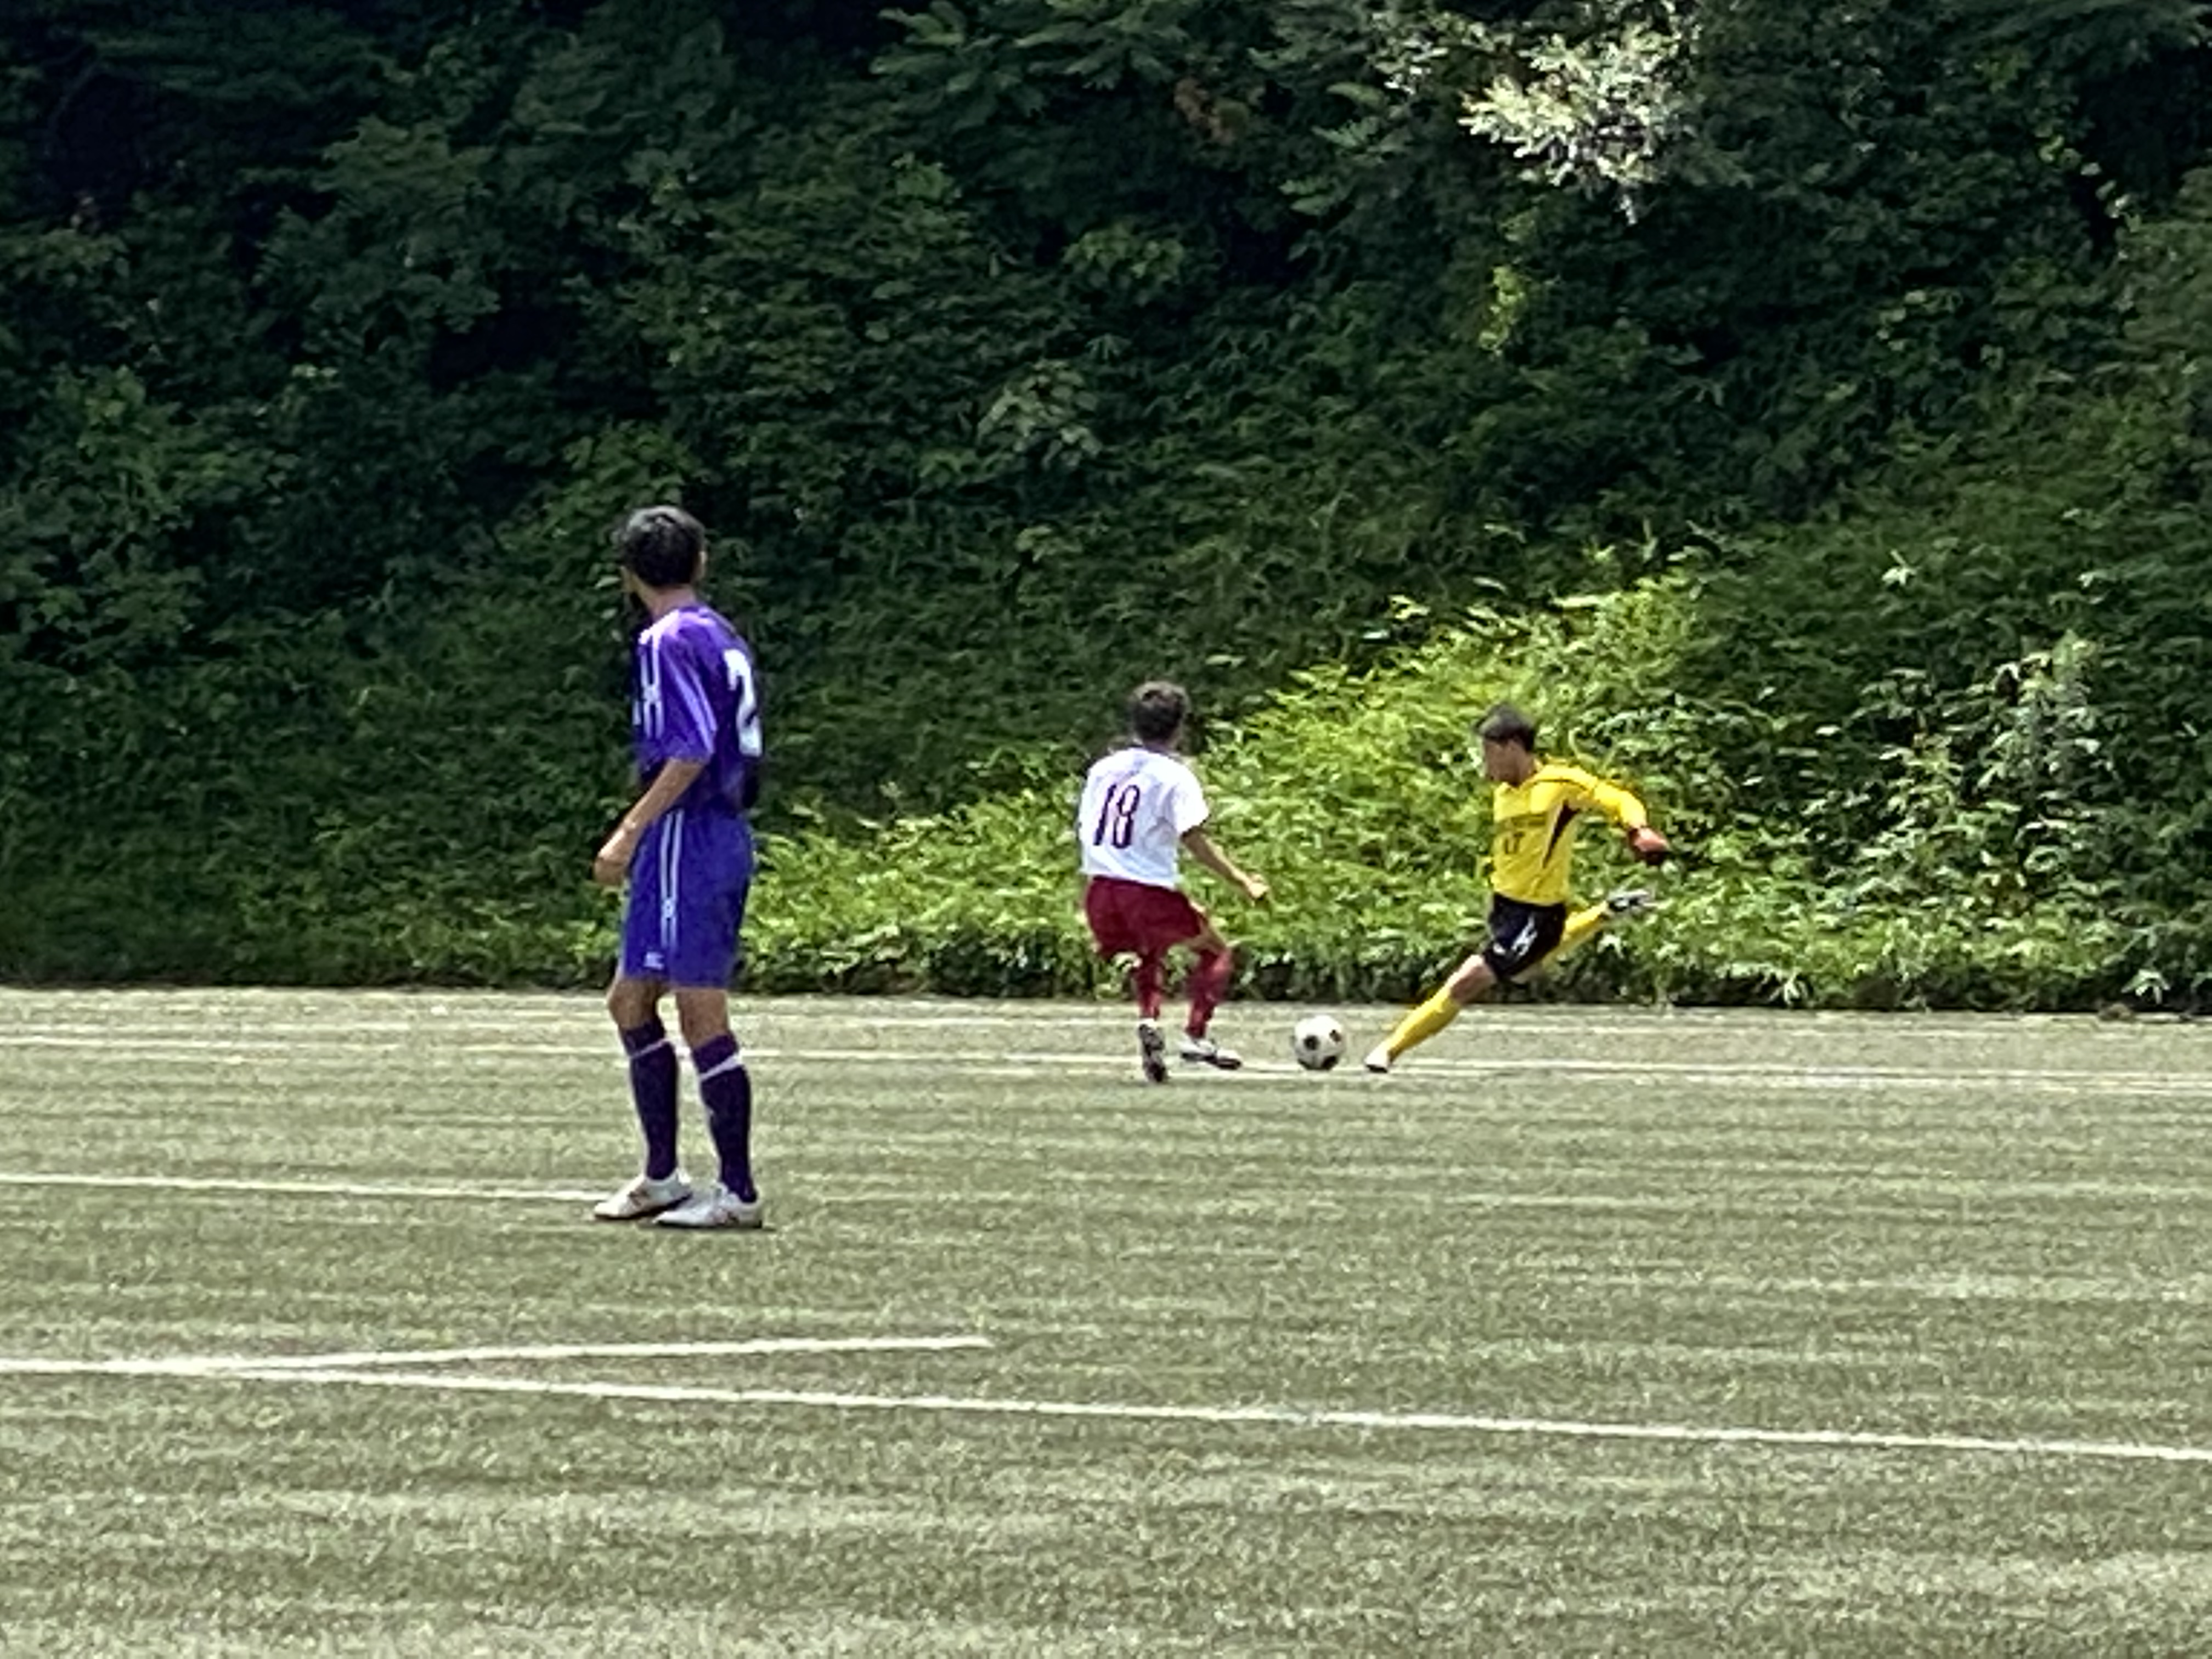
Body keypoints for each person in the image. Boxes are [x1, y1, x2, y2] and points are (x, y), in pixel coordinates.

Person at [589, 505, 766, 1228]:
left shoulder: (666, 640)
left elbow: (690, 748)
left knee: (699, 1009)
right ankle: (662, 1174)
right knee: (630, 999)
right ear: (701, 561)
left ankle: (738, 1192)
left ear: (629, 576)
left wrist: (629, 831)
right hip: (701, 834)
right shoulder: (718, 631)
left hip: (691, 834)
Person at [1363, 702, 1670, 1074]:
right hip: (1504, 909)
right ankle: (1603, 913)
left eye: (1489, 752)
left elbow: (1618, 798)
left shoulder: (1560, 785)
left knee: (1468, 980)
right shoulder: (1503, 794)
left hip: (1537, 913)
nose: (1485, 762)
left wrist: (1638, 829)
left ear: (1511, 747)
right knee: (1523, 970)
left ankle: (1389, 1050)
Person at [1077, 681, 1269, 1082]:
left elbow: (1088, 825)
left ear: (1134, 723)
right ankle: (1196, 1036)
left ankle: (1149, 1019)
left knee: (1149, 952)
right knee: (1216, 951)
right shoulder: (1174, 777)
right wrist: (1242, 881)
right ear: (1180, 727)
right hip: (1145, 891)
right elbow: (1194, 839)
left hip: (1099, 890)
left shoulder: (1103, 770)